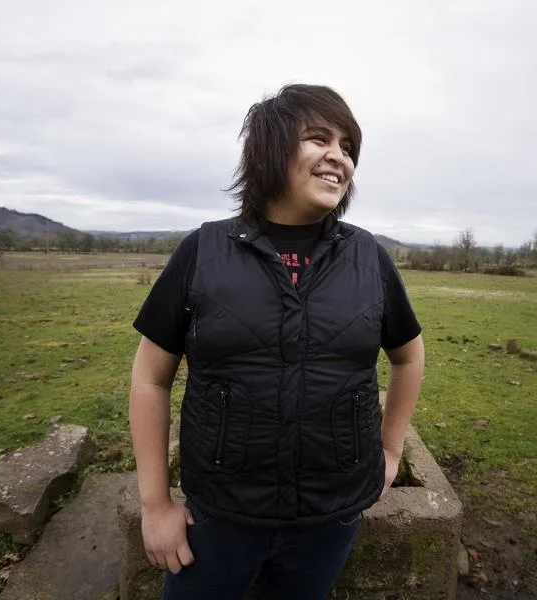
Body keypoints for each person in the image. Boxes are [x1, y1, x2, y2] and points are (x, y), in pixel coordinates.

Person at [129, 83, 425, 600]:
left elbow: (409, 354)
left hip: (330, 517)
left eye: (348, 146)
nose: (340, 157)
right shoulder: (202, 251)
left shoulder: (369, 257)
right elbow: (150, 378)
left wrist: (390, 450)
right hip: (220, 514)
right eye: (319, 138)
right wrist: (156, 506)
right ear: (269, 149)